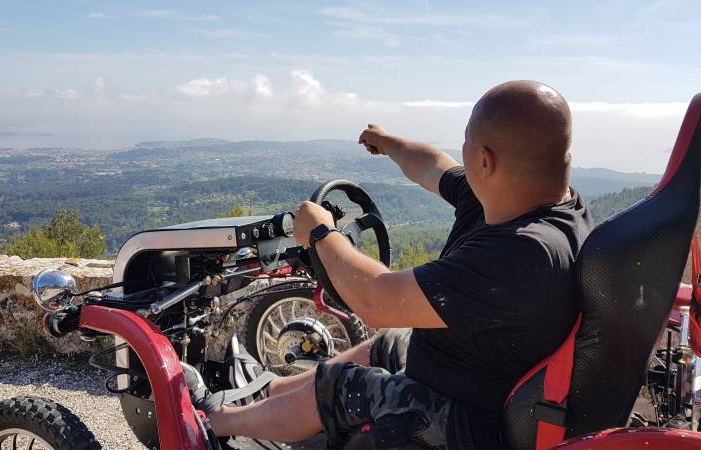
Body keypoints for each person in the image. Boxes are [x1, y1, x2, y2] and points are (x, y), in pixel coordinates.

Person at [185, 80, 593, 449]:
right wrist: (389, 143)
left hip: (471, 422)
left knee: (344, 386)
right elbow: (434, 165)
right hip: (476, 374)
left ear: (485, 162)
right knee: (387, 344)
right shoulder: (533, 196)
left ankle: (211, 423)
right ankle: (272, 392)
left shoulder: (523, 252)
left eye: (466, 143)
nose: (461, 155)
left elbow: (377, 299)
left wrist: (320, 235)